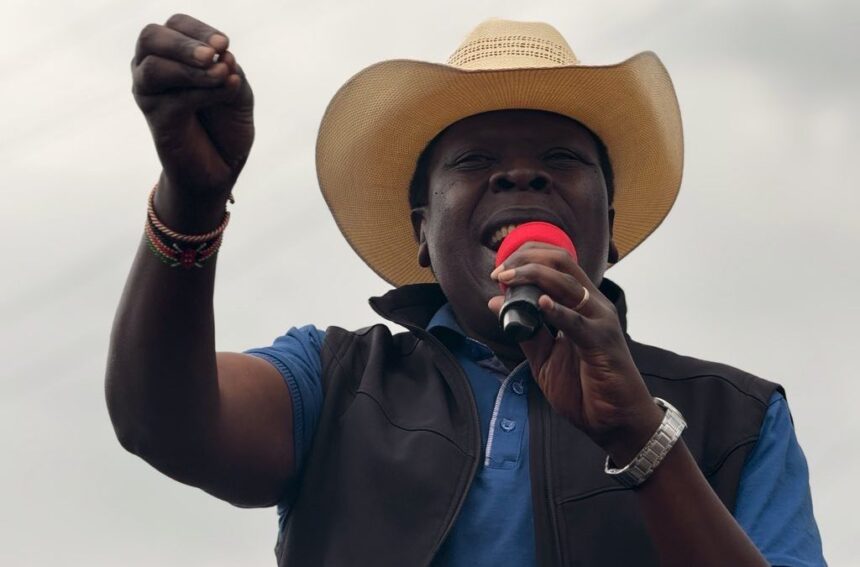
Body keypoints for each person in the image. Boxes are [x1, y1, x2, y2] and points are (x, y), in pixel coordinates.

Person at [106, 14, 826, 567]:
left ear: (610, 230)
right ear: (421, 232)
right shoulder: (335, 381)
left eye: (562, 158)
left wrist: (642, 437)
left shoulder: (737, 418)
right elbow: (158, 421)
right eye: (475, 160)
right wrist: (190, 200)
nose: (520, 175)